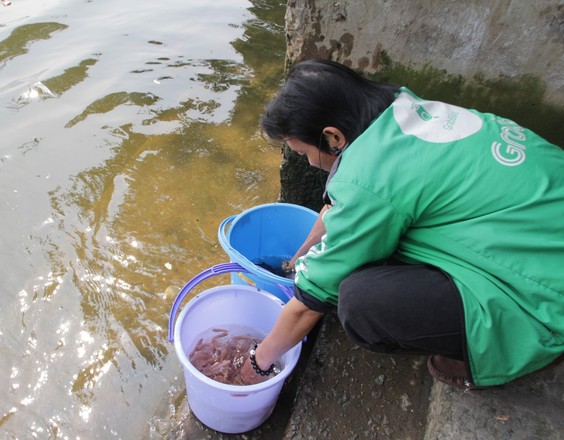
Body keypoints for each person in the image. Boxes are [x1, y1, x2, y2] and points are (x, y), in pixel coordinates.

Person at [240, 59, 564, 389]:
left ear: (333, 137)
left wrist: (257, 363)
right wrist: (297, 261)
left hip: (546, 290)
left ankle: (508, 343)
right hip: (543, 218)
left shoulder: (367, 178)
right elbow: (339, 209)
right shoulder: (402, 113)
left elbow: (308, 305)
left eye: (302, 151)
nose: (308, 162)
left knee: (360, 301)